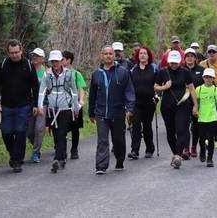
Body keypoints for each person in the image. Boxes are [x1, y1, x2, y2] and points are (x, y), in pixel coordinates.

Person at [0, 39, 39, 173]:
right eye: (11, 53)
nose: (14, 55)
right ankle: (14, 155)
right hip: (7, 106)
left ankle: (17, 161)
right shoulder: (2, 65)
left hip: (24, 106)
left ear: (21, 51)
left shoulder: (29, 65)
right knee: (6, 132)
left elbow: (35, 86)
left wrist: (36, 104)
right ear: (8, 52)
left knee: (20, 132)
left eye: (16, 52)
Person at [88, 45, 135, 174]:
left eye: (110, 53)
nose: (108, 56)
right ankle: (101, 166)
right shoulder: (97, 74)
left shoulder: (123, 72)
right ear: (102, 56)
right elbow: (92, 95)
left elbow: (129, 91)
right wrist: (91, 112)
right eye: (106, 54)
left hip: (118, 112)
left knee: (118, 139)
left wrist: (130, 108)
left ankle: (119, 161)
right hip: (101, 113)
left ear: (114, 55)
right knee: (102, 140)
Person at [37, 50, 80, 173]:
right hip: (51, 108)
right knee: (56, 134)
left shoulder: (68, 74)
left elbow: (74, 91)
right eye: (53, 61)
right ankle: (63, 156)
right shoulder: (47, 75)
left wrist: (76, 107)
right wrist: (40, 106)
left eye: (57, 61)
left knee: (62, 133)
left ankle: (56, 158)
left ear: (62, 61)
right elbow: (42, 91)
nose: (55, 63)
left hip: (65, 108)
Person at [154, 50, 198, 169]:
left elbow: (191, 89)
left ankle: (178, 155)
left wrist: (195, 105)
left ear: (180, 61)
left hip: (182, 105)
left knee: (182, 130)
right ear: (168, 61)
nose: (174, 64)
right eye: (172, 62)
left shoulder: (185, 72)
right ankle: (175, 154)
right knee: (170, 131)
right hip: (167, 106)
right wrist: (164, 87)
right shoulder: (163, 72)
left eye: (176, 62)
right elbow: (155, 87)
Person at [128, 46, 158, 159]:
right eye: (140, 53)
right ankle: (134, 150)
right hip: (136, 103)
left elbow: (158, 85)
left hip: (149, 103)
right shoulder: (133, 70)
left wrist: (157, 96)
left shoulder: (153, 69)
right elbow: (129, 87)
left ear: (148, 56)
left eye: (145, 53)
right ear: (137, 56)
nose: (142, 55)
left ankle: (150, 148)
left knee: (146, 126)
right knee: (135, 125)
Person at [196, 68, 217, 167]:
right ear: (203, 78)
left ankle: (210, 158)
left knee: (210, 138)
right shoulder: (199, 89)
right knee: (202, 138)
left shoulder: (215, 90)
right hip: (201, 118)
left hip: (212, 117)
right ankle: (202, 151)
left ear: (213, 79)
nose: (208, 79)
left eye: (210, 77)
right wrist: (195, 111)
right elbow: (197, 103)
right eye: (206, 77)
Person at [61, 51, 87, 159]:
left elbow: (81, 88)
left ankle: (74, 149)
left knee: (75, 128)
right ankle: (61, 149)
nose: (60, 61)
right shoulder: (58, 73)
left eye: (62, 59)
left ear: (68, 60)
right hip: (62, 105)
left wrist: (80, 100)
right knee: (61, 128)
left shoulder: (76, 74)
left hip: (74, 105)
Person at [26, 48, 47, 163]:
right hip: (28, 103)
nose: (34, 57)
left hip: (42, 104)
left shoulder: (46, 72)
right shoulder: (27, 70)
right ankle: (37, 146)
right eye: (33, 55)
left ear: (42, 59)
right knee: (28, 131)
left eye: (37, 56)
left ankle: (35, 152)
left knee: (39, 128)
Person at [183, 48, 204, 158]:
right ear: (184, 58)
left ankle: (194, 147)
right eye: (187, 56)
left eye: (192, 56)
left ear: (195, 58)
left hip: (198, 101)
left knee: (196, 126)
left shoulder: (201, 70)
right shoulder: (181, 69)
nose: (190, 58)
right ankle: (186, 148)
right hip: (184, 102)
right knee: (184, 125)